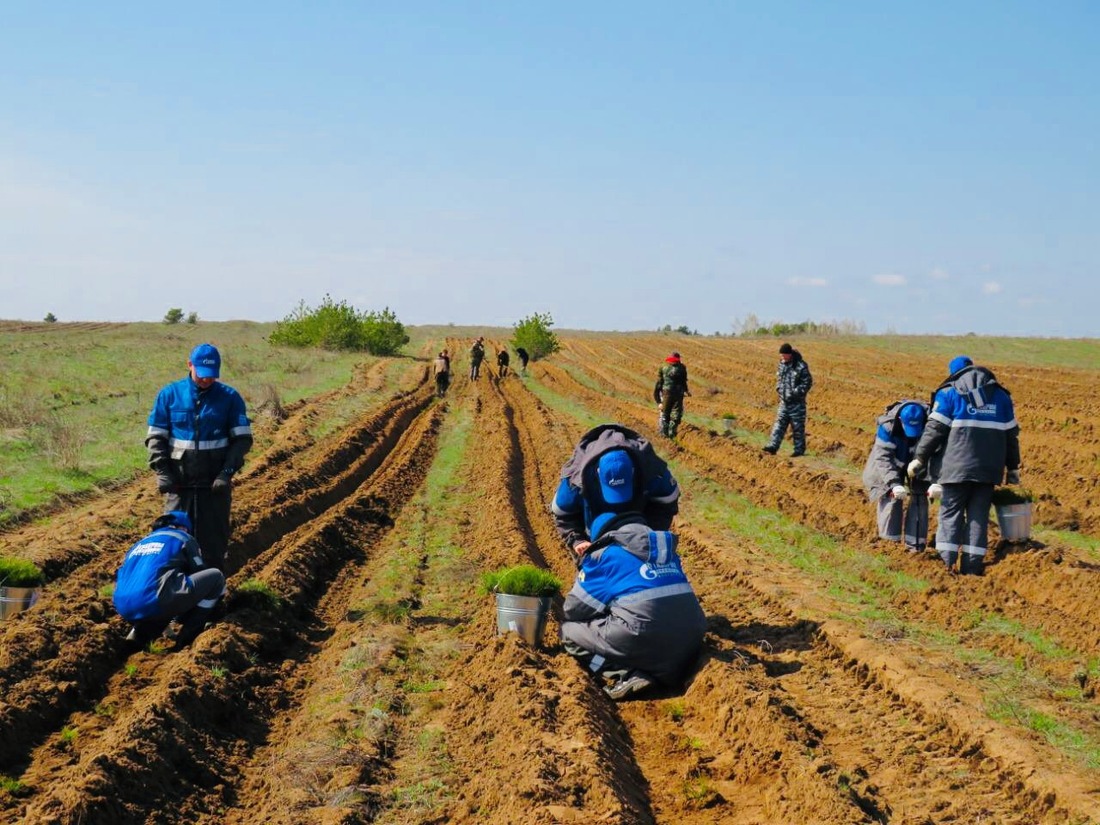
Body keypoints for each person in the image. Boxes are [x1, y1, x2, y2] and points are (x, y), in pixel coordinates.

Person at [561, 510, 707, 700]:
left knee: (569, 633)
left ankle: (623, 672)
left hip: (643, 636)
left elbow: (572, 610)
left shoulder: (605, 556)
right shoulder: (668, 554)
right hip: (690, 640)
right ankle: (667, 670)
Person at [907, 356, 1021, 576]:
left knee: (950, 515)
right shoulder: (1001, 397)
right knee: (978, 517)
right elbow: (1011, 437)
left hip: (955, 469)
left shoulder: (949, 393)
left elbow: (934, 431)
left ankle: (945, 567)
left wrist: (920, 458)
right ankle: (972, 568)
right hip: (988, 471)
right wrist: (1013, 467)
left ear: (954, 374)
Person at [146, 343, 253, 572]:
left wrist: (226, 473)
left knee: (213, 546)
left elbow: (242, 440)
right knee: (174, 542)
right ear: (189, 365)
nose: (206, 380)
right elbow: (156, 438)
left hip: (213, 488)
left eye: (211, 376)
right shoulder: (169, 395)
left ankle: (212, 597)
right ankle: (176, 595)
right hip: (179, 486)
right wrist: (163, 472)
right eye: (201, 375)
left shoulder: (230, 398)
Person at [551, 424, 680, 557]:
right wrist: (578, 540)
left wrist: (648, 537)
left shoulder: (652, 471)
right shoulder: (576, 480)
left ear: (633, 471)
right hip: (593, 541)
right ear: (598, 473)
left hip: (639, 534)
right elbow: (564, 516)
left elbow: (666, 505)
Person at [113, 510, 226, 646]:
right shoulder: (183, 537)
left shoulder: (138, 545)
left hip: (122, 605)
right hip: (159, 599)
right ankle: (189, 636)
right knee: (216, 578)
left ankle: (139, 636)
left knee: (161, 592)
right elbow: (199, 571)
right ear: (182, 527)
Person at [862, 400, 933, 553]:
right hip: (892, 464)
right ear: (900, 420)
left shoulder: (931, 424)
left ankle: (915, 548)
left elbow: (936, 452)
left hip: (918, 463)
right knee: (892, 497)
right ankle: (889, 545)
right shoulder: (887, 427)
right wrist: (894, 483)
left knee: (920, 499)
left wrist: (934, 481)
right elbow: (883, 458)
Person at [763, 342, 813, 457]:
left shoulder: (800, 366)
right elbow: (779, 379)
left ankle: (799, 451)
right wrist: (779, 388)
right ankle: (772, 447)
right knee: (779, 425)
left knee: (797, 428)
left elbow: (807, 382)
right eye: (780, 355)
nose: (782, 357)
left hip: (797, 404)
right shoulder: (782, 364)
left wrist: (795, 393)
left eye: (783, 355)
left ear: (789, 354)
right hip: (784, 402)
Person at [653, 352, 690, 438]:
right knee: (675, 414)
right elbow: (683, 381)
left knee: (665, 414)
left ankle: (664, 434)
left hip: (667, 393)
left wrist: (658, 401)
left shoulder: (663, 367)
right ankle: (671, 433)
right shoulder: (682, 368)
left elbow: (659, 383)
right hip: (677, 394)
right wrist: (686, 390)